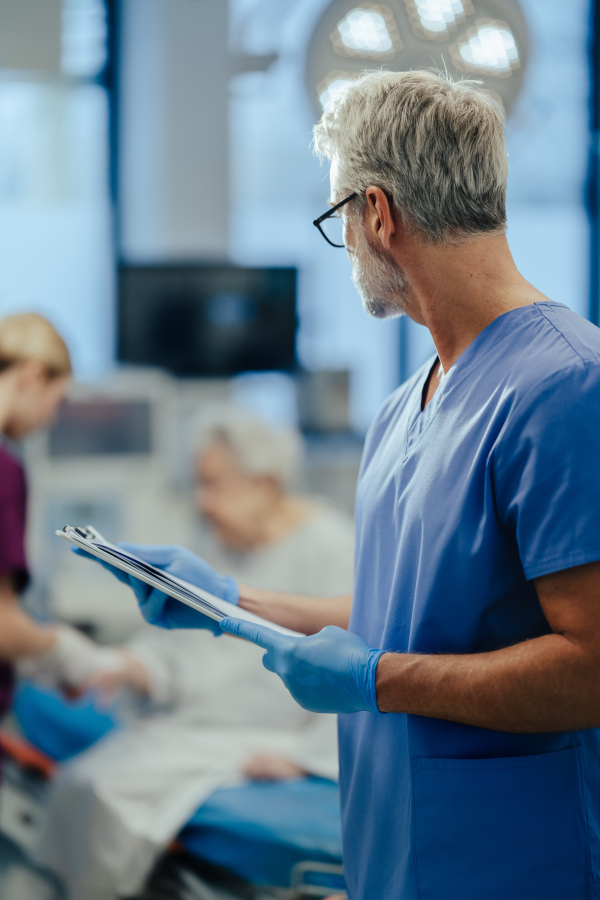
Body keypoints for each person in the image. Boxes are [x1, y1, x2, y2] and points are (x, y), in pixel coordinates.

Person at [83, 69, 600, 899]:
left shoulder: (570, 386)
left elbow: (592, 665)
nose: (347, 244)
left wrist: (374, 681)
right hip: (389, 851)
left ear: (378, 212)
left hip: (513, 860)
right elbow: (412, 617)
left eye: (338, 221)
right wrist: (231, 604)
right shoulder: (403, 412)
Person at [36, 413, 354, 900]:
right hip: (196, 723)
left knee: (100, 791)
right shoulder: (220, 542)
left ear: (265, 484)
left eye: (213, 485)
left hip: (266, 735)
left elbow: (356, 669)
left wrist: (301, 757)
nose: (202, 502)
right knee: (80, 782)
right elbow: (181, 650)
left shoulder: (331, 546)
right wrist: (129, 668)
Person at [0, 313, 122, 743]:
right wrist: (63, 650)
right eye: (58, 399)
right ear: (32, 376)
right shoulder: (4, 468)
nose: (52, 420)